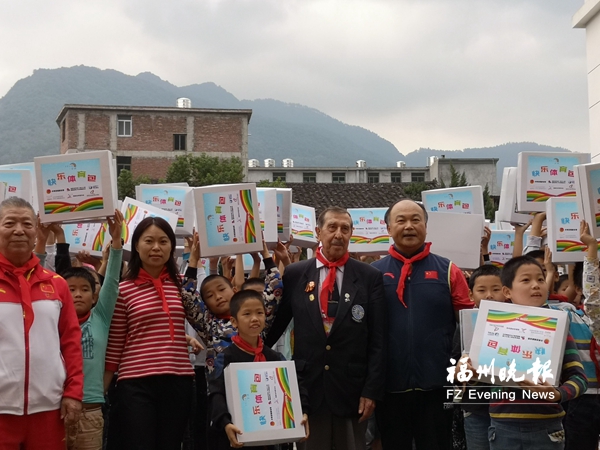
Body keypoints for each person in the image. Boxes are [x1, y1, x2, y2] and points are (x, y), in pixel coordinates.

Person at [266, 206, 386, 450]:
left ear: (351, 233)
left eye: (345, 229)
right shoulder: (295, 273)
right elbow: (276, 327)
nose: (338, 234)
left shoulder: (368, 276)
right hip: (308, 388)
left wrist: (371, 391)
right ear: (318, 232)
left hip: (351, 390)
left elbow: (378, 339)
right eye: (332, 227)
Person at [371, 199, 473, 450]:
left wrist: (464, 361)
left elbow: (468, 324)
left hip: (438, 385)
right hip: (390, 387)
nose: (409, 226)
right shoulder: (372, 273)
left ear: (426, 227)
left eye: (416, 220)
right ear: (388, 228)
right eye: (401, 220)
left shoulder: (449, 270)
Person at [105, 217, 195, 450]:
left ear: (172, 247)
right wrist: (101, 390)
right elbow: (115, 344)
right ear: (136, 245)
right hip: (135, 383)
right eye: (149, 241)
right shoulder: (122, 289)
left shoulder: (183, 286)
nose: (156, 247)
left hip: (179, 379)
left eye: (163, 241)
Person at [0, 196, 83, 449]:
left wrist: (73, 392)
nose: (18, 230)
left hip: (49, 408)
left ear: (36, 230)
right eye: (9, 223)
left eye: (26, 223)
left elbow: (70, 341)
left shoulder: (57, 284)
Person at [486, 255, 587, 449]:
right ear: (507, 291)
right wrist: (467, 371)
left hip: (548, 428)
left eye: (540, 279)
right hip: (503, 427)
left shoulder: (559, 328)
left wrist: (556, 394)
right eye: (526, 280)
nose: (536, 285)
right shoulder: (493, 328)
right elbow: (479, 377)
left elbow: (579, 379)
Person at [209, 289, 309, 449]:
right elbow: (216, 391)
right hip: (239, 436)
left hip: (273, 438)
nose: (254, 319)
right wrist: (225, 422)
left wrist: (302, 411)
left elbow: (295, 385)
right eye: (247, 314)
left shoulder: (275, 357)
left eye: (259, 313)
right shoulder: (227, 357)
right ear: (234, 321)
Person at [59, 210, 124, 450]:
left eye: (84, 289)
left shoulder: (101, 317)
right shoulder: (52, 319)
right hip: (56, 412)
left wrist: (116, 240)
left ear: (94, 294)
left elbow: (112, 283)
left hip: (91, 413)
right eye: (71, 289)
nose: (77, 294)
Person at [454, 264, 505, 450]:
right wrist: (459, 370)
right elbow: (453, 366)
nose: (489, 295)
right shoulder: (464, 325)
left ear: (506, 291)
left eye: (496, 289)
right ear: (470, 294)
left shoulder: (516, 324)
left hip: (508, 408)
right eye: (481, 290)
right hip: (475, 407)